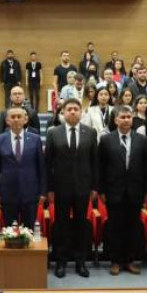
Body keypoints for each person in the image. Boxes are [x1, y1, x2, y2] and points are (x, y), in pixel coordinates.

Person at [45, 99, 98, 278]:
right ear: (63, 112)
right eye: (69, 109)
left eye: (76, 109)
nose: (73, 112)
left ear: (81, 112)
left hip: (83, 188)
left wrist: (94, 187)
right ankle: (61, 261)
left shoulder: (90, 133)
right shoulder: (53, 133)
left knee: (81, 225)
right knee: (61, 225)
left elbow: (94, 162)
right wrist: (49, 188)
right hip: (60, 188)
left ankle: (81, 261)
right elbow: (47, 163)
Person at [98, 106, 147, 276]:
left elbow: (146, 167)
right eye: (123, 117)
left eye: (129, 117)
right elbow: (101, 168)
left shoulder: (141, 140)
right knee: (115, 227)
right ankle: (115, 261)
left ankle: (129, 260)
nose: (126, 120)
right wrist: (102, 191)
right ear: (116, 120)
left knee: (133, 226)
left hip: (135, 191)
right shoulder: (106, 140)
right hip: (113, 191)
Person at [0, 106, 46, 229]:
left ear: (25, 119)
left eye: (19, 116)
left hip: (30, 193)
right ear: (7, 121)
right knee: (10, 232)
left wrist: (43, 192)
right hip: (7, 194)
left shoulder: (35, 139)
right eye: (13, 117)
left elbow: (41, 168)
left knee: (29, 231)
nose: (16, 119)